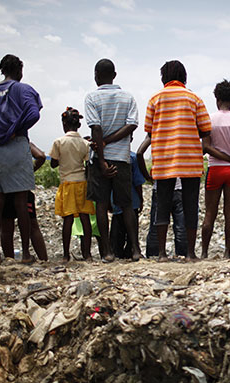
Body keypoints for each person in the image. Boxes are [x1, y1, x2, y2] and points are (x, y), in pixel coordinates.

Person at [137, 60, 211, 261]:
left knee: (162, 206)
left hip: (164, 159)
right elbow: (206, 130)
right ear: (184, 77)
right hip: (190, 160)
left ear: (164, 78)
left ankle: (161, 254)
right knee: (190, 206)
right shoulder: (194, 99)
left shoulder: (154, 100)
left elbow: (149, 131)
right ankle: (190, 253)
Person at [0, 54, 42, 264]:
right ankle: (25, 253)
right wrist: (15, 129)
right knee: (20, 201)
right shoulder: (21, 89)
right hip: (15, 147)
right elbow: (34, 113)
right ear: (19, 71)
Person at [84, 59, 141, 262]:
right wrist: (110, 141)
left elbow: (96, 128)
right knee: (126, 205)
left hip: (101, 160)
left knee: (101, 204)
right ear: (114, 75)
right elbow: (132, 125)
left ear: (96, 76)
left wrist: (101, 158)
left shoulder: (92, 97)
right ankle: (135, 250)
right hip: (122, 158)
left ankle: (107, 251)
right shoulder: (128, 97)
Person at [201, 80, 230, 259]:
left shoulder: (209, 119)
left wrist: (224, 157)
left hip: (215, 170)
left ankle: (204, 252)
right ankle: (227, 252)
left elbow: (206, 147)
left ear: (216, 98)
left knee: (210, 212)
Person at [50, 107, 95, 261]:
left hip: (67, 183)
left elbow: (53, 163)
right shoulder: (85, 143)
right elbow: (88, 163)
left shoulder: (59, 142)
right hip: (82, 182)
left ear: (64, 124)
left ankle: (65, 255)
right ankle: (87, 254)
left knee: (68, 220)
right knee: (85, 218)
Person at [1, 143, 48, 261]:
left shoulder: (0, 141)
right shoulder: (24, 143)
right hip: (23, 189)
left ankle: (9, 260)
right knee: (32, 225)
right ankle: (42, 259)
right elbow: (41, 156)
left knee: (7, 227)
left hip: (5, 189)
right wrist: (28, 173)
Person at [110, 151, 145, 259]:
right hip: (132, 200)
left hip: (116, 201)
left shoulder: (110, 156)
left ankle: (117, 253)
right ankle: (131, 251)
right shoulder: (132, 157)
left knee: (117, 230)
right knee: (132, 229)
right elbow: (137, 181)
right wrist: (140, 198)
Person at [142, 178, 188, 258]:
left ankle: (155, 255)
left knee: (157, 227)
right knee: (181, 228)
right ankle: (183, 255)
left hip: (161, 187)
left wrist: (148, 177)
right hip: (180, 188)